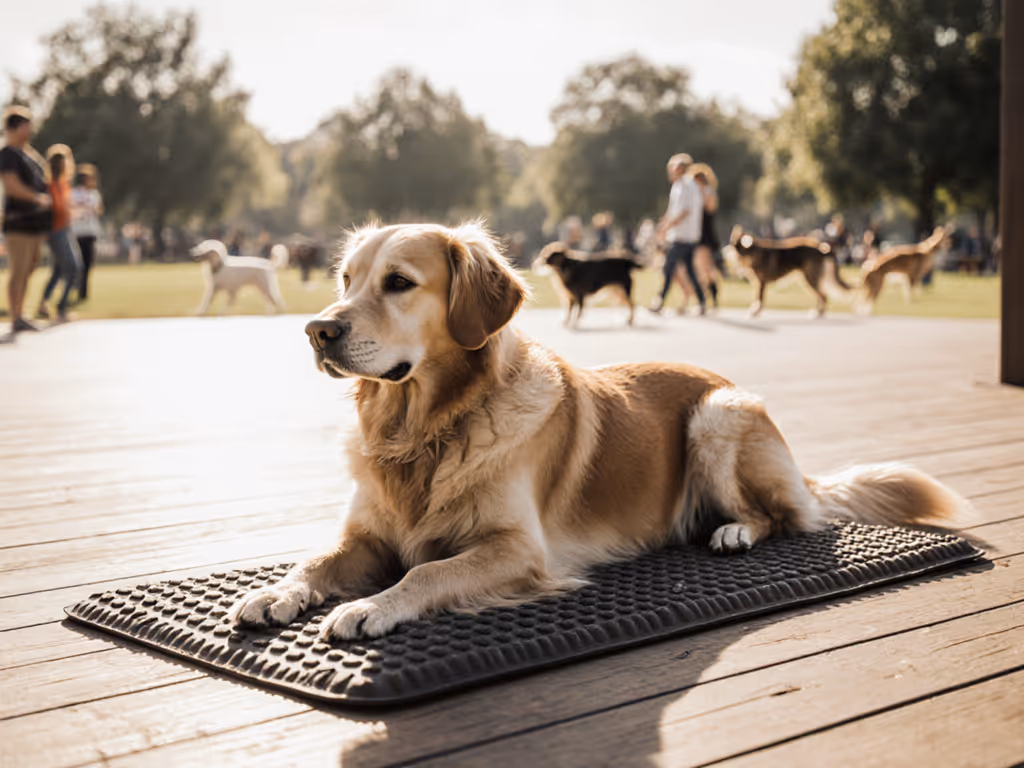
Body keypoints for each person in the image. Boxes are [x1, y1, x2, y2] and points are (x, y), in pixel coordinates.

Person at [0, 106, 52, 333]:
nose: (30, 130)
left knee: (30, 267)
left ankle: (21, 314)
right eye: (27, 125)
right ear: (19, 126)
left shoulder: (26, 154)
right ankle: (16, 316)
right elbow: (12, 186)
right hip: (18, 222)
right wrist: (37, 198)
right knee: (19, 270)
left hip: (33, 224)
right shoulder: (8, 154)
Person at [652, 153, 704, 314]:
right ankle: (701, 302)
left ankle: (659, 300)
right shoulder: (677, 186)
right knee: (688, 269)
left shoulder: (689, 186)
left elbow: (684, 212)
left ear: (679, 169)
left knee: (669, 266)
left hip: (685, 236)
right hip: (678, 235)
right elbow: (671, 211)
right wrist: (663, 226)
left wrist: (668, 228)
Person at [36, 145, 82, 323]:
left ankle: (43, 303)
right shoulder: (49, 185)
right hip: (55, 231)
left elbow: (64, 207)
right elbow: (54, 208)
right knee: (73, 266)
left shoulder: (64, 184)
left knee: (59, 270)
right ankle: (61, 308)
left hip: (66, 228)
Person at [71, 163, 103, 301]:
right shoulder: (73, 193)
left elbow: (99, 210)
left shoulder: (94, 194)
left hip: (90, 232)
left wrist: (91, 208)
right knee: (78, 263)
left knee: (88, 263)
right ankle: (75, 287)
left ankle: (83, 293)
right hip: (77, 232)